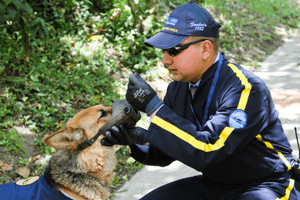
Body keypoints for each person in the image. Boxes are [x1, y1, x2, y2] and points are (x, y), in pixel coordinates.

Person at [101, 1, 300, 199]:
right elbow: (170, 151)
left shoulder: (244, 89)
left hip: (266, 183)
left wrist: (154, 108)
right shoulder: (178, 88)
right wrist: (136, 140)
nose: (165, 60)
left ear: (205, 48)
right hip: (214, 186)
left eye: (174, 50)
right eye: (163, 51)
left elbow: (208, 149)